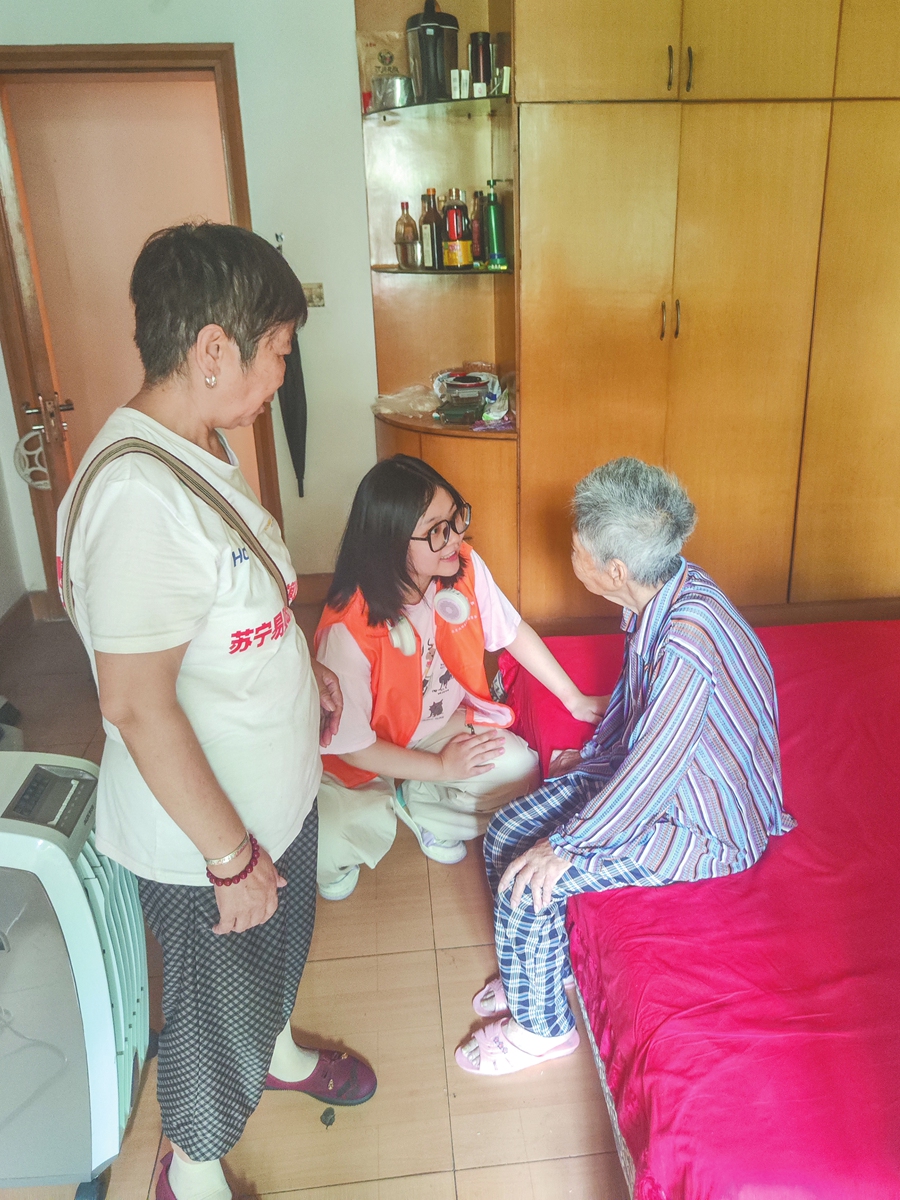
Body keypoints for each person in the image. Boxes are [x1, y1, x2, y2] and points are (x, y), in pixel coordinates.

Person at [56, 222, 376, 1200]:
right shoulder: (137, 501)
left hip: (273, 798)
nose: (282, 375)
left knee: (276, 966)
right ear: (211, 350)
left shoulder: (196, 445)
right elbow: (137, 705)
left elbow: (227, 612)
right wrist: (231, 859)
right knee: (211, 1020)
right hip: (209, 846)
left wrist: (296, 672)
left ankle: (274, 1054)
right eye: (278, 350)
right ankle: (190, 1167)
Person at [455, 457, 796, 1075]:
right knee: (505, 833)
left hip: (704, 822)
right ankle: (540, 971)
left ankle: (543, 1032)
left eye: (578, 549)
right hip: (656, 778)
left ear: (615, 569)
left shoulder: (688, 642)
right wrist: (593, 757)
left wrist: (567, 845)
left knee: (534, 883)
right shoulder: (664, 592)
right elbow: (644, 713)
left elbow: (654, 772)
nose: (572, 555)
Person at [314, 454, 605, 900]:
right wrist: (441, 768)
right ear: (391, 543)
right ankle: (397, 798)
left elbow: (511, 631)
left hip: (440, 725)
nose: (455, 537)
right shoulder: (348, 627)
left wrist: (572, 698)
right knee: (329, 843)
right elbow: (355, 748)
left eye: (455, 518)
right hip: (367, 751)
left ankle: (424, 806)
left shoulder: (462, 567)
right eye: (437, 531)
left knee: (520, 770)